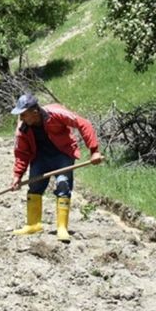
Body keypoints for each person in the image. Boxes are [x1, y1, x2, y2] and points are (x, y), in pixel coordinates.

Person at [9, 93, 103, 241]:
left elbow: (83, 123)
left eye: (24, 114)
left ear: (35, 112)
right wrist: (17, 176)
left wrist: (94, 151)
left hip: (62, 154)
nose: (21, 118)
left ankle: (62, 227)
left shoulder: (56, 113)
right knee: (34, 186)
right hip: (40, 157)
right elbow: (21, 153)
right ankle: (33, 224)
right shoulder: (23, 128)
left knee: (63, 184)